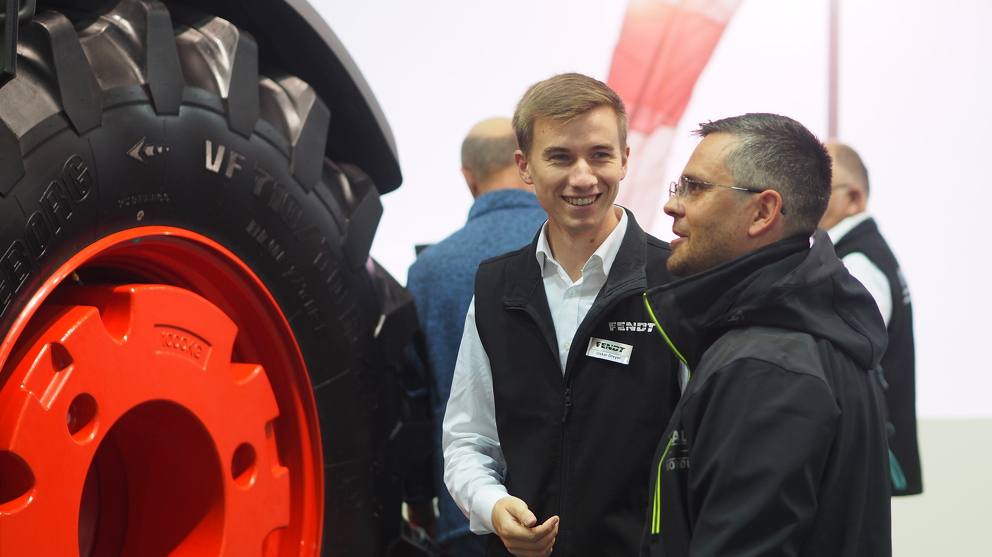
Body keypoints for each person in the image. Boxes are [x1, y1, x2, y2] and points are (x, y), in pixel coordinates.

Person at [442, 73, 680, 557]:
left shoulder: (675, 282)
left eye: (600, 154)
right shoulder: (496, 287)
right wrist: (492, 506)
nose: (583, 177)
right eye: (560, 157)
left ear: (625, 159)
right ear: (525, 167)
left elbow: (705, 446)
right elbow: (468, 440)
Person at [641, 114, 891, 556]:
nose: (672, 205)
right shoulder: (802, 332)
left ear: (762, 212)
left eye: (695, 188)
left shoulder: (766, 364)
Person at [403, 117, 549, 556]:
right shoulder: (572, 250)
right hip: (568, 515)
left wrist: (419, 502)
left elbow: (413, 401)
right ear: (528, 165)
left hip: (468, 518)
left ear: (470, 178)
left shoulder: (428, 271)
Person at [818, 141, 922, 496]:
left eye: (818, 188)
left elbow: (844, 362)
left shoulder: (856, 264)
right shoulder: (861, 254)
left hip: (859, 454)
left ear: (853, 198)